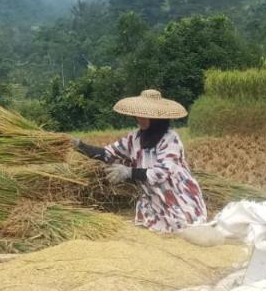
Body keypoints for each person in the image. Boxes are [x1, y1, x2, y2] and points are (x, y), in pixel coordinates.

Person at [71, 88, 206, 232]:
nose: (139, 118)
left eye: (144, 116)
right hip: (153, 203)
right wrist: (80, 146)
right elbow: (107, 153)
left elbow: (161, 173)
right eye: (138, 115)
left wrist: (129, 172)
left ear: (156, 119)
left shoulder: (170, 139)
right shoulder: (134, 138)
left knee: (185, 229)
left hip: (179, 199)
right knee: (150, 230)